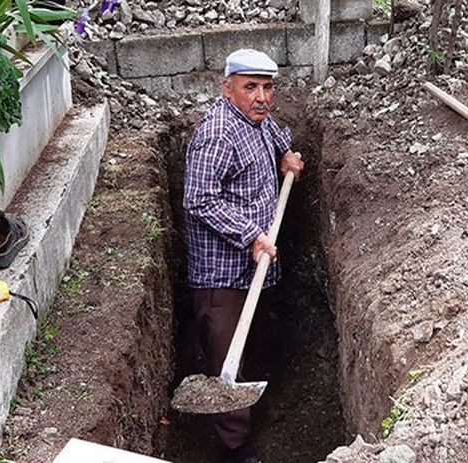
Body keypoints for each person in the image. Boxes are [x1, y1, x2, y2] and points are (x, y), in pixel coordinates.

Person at [182, 49, 305, 463]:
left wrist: (285, 156)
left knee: (247, 342)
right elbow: (198, 199)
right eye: (250, 87)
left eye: (268, 87)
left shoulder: (257, 120)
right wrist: (251, 235)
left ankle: (246, 412)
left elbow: (275, 133)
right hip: (222, 275)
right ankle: (235, 448)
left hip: (254, 267)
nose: (262, 97)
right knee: (225, 355)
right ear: (227, 88)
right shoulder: (218, 133)